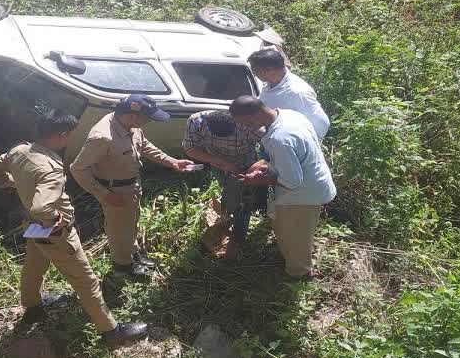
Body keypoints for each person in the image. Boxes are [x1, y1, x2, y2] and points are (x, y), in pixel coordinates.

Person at [0, 112, 149, 347]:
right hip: (55, 233)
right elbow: (41, 206)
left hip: (33, 227)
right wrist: (56, 217)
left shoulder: (19, 151)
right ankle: (111, 331)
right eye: (70, 135)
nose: (71, 139)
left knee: (33, 267)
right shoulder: (50, 169)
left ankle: (33, 307)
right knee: (86, 281)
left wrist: (14, 180)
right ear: (61, 136)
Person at [70, 95, 195, 279]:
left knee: (131, 224)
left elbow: (145, 145)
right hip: (115, 192)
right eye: (148, 118)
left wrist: (172, 162)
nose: (149, 122)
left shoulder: (130, 125)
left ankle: (133, 254)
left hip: (132, 186)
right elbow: (78, 169)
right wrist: (104, 195)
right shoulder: (103, 137)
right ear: (133, 116)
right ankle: (123, 267)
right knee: (118, 231)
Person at [229, 96, 336, 280]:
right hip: (312, 181)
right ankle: (292, 260)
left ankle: (299, 274)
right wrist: (266, 164)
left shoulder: (280, 139)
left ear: (253, 117)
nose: (246, 127)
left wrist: (260, 181)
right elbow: (295, 156)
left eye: (245, 123)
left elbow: (292, 181)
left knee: (295, 237)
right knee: (285, 228)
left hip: (303, 194)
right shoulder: (290, 115)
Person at [181, 110, 262, 246]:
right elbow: (190, 148)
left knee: (243, 201)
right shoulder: (196, 122)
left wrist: (255, 169)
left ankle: (239, 238)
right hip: (217, 163)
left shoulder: (247, 125)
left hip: (245, 165)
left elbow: (269, 146)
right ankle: (231, 215)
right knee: (230, 194)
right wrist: (221, 162)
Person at [248, 48, 330, 139]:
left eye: (255, 72)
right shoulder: (270, 84)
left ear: (264, 72)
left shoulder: (297, 92)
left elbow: (321, 125)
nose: (255, 75)